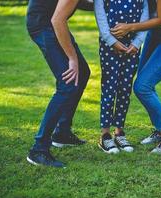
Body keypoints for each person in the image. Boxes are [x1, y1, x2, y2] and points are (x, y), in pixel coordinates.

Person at [111, 0, 161, 153]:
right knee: (145, 85)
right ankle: (160, 131)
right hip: (154, 34)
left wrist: (129, 27)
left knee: (143, 86)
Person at [26, 0, 93, 168]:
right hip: (44, 24)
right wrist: (72, 59)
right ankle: (38, 150)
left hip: (51, 20)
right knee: (67, 83)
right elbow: (57, 20)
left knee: (82, 73)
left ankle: (62, 133)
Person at [94, 0, 149, 154]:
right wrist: (112, 41)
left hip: (132, 47)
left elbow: (145, 18)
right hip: (109, 46)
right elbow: (101, 18)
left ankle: (119, 132)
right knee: (109, 88)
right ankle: (105, 134)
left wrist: (137, 43)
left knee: (125, 89)